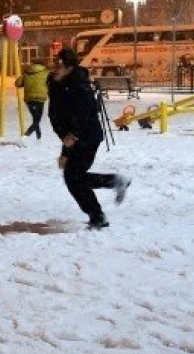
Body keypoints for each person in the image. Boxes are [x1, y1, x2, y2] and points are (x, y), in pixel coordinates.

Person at [48, 48, 131, 229]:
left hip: (87, 137)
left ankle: (98, 216)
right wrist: (65, 146)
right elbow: (58, 116)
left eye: (59, 64)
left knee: (74, 178)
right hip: (75, 137)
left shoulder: (78, 85)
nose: (55, 67)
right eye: (54, 63)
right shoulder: (59, 84)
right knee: (75, 178)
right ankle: (114, 183)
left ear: (69, 67)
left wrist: (72, 138)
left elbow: (84, 114)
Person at [15, 63, 49, 139]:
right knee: (37, 119)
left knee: (35, 118)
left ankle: (38, 135)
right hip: (40, 99)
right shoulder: (45, 72)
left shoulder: (26, 72)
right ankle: (26, 135)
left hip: (29, 99)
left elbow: (18, 83)